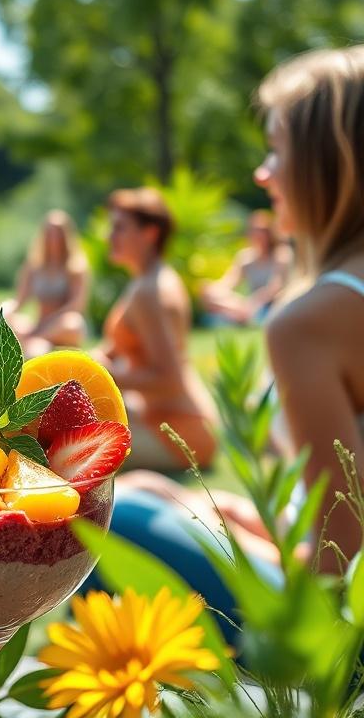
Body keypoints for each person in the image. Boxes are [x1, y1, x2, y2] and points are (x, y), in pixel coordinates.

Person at [95, 48, 364, 640]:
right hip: (314, 554)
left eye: (277, 152)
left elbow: (340, 567)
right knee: (151, 493)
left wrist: (232, 535)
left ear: (331, 163)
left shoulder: (310, 321)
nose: (262, 174)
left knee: (109, 519)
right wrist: (246, 519)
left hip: (335, 638)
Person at [91, 188, 217, 471]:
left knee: (70, 444)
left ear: (150, 233)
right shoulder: (147, 281)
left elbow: (169, 379)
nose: (109, 236)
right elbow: (115, 348)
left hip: (182, 433)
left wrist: (102, 375)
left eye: (119, 228)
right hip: (161, 417)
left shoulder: (151, 291)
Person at [3, 210, 90, 355]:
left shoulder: (75, 267)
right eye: (50, 233)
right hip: (38, 325)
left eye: (58, 234)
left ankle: (33, 339)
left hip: (61, 326)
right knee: (9, 319)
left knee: (73, 323)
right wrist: (7, 311)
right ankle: (36, 340)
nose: (54, 238)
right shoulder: (34, 266)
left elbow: (77, 305)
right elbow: (20, 300)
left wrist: (48, 323)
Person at [200, 209, 293, 326]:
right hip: (248, 305)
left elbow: (275, 287)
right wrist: (211, 289)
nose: (258, 235)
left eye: (262, 231)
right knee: (212, 294)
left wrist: (254, 301)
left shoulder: (281, 254)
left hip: (271, 304)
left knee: (250, 310)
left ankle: (240, 315)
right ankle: (240, 314)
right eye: (255, 230)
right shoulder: (245, 257)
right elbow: (229, 282)